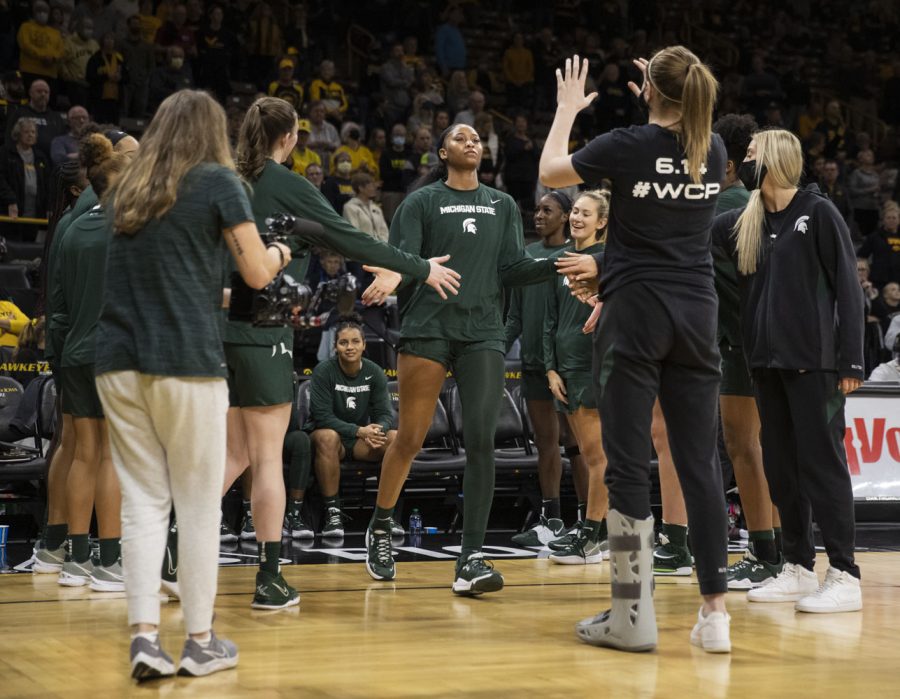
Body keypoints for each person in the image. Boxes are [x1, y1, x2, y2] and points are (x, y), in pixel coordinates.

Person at [218, 95, 459, 610]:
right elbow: (351, 239)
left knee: (230, 454)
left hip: (211, 328)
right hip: (261, 327)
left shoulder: (221, 179)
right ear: (291, 137)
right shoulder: (289, 186)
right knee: (264, 460)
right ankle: (268, 577)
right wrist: (417, 266)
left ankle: (172, 551)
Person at [95, 90, 292, 681]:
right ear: (213, 133)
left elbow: (173, 280)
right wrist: (283, 249)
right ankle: (200, 641)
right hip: (184, 362)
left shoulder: (129, 188)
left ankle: (145, 639)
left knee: (145, 501)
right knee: (200, 504)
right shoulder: (217, 182)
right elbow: (257, 271)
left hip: (117, 362)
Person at [540, 48, 731, 653]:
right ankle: (715, 615)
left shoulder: (625, 144)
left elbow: (550, 171)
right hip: (698, 313)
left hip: (637, 313)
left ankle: (631, 616)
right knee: (700, 462)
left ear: (647, 89)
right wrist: (664, 84)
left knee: (626, 462)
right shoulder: (715, 149)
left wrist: (568, 109)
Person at [360, 122, 558, 595]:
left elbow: (512, 268)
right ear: (444, 152)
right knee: (409, 437)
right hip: (428, 328)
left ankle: (470, 556)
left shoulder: (503, 204)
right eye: (461, 138)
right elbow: (404, 258)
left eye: (477, 139)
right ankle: (382, 526)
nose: (472, 142)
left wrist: (563, 260)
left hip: (483, 332)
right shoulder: (421, 202)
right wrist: (394, 274)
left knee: (482, 441)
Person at [712, 128, 864, 614]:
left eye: (751, 155)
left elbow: (848, 287)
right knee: (781, 469)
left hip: (816, 365)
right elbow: (683, 239)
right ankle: (797, 566)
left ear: (775, 160)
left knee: (823, 466)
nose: (744, 162)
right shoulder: (745, 221)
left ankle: (844, 572)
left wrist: (852, 360)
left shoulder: (818, 213)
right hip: (765, 365)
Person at [53, 133, 127, 592]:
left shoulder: (73, 229)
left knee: (83, 453)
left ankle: (75, 558)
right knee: (111, 456)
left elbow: (60, 299)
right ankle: (110, 561)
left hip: (75, 352)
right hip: (112, 355)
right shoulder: (123, 232)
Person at [505, 191, 586, 546]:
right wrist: (497, 350)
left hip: (569, 367)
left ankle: (587, 519)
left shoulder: (577, 257)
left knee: (578, 443)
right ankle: (551, 519)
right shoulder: (526, 257)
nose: (538, 215)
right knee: (545, 442)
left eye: (547, 210)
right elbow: (515, 317)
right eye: (536, 209)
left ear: (566, 217)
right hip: (534, 364)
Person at [543, 190, 610, 565]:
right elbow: (548, 319)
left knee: (598, 456)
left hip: (593, 363)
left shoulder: (608, 262)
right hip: (564, 367)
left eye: (586, 213)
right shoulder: (558, 260)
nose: (577, 218)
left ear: (602, 222)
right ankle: (596, 531)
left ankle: (591, 535)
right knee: (586, 454)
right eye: (576, 213)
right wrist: (550, 367)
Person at [307, 315, 396, 537]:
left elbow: (385, 413)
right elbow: (322, 416)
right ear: (335, 346)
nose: (350, 347)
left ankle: (385, 514)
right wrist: (359, 430)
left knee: (395, 438)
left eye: (355, 341)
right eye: (343, 342)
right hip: (331, 439)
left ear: (364, 345)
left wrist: (378, 429)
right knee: (327, 436)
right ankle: (333, 513)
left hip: (359, 440)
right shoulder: (324, 371)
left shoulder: (374, 371)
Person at [0, 117, 51, 222]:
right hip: (10, 210)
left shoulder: (41, 157)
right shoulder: (6, 153)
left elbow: (47, 184)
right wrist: (10, 200)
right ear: (18, 133)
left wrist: (48, 206)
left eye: (33, 132)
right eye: (26, 132)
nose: (30, 135)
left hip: (36, 212)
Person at [857, 201, 900, 291]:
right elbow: (862, 256)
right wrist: (865, 272)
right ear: (883, 219)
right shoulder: (874, 237)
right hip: (879, 280)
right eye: (888, 218)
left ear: (898, 219)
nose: (891, 220)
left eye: (894, 218)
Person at [342, 172, 389, 243]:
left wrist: (384, 245)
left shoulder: (376, 208)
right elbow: (354, 233)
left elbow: (384, 231)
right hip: (362, 249)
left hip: (381, 249)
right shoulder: (349, 207)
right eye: (371, 186)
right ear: (361, 188)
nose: (374, 188)